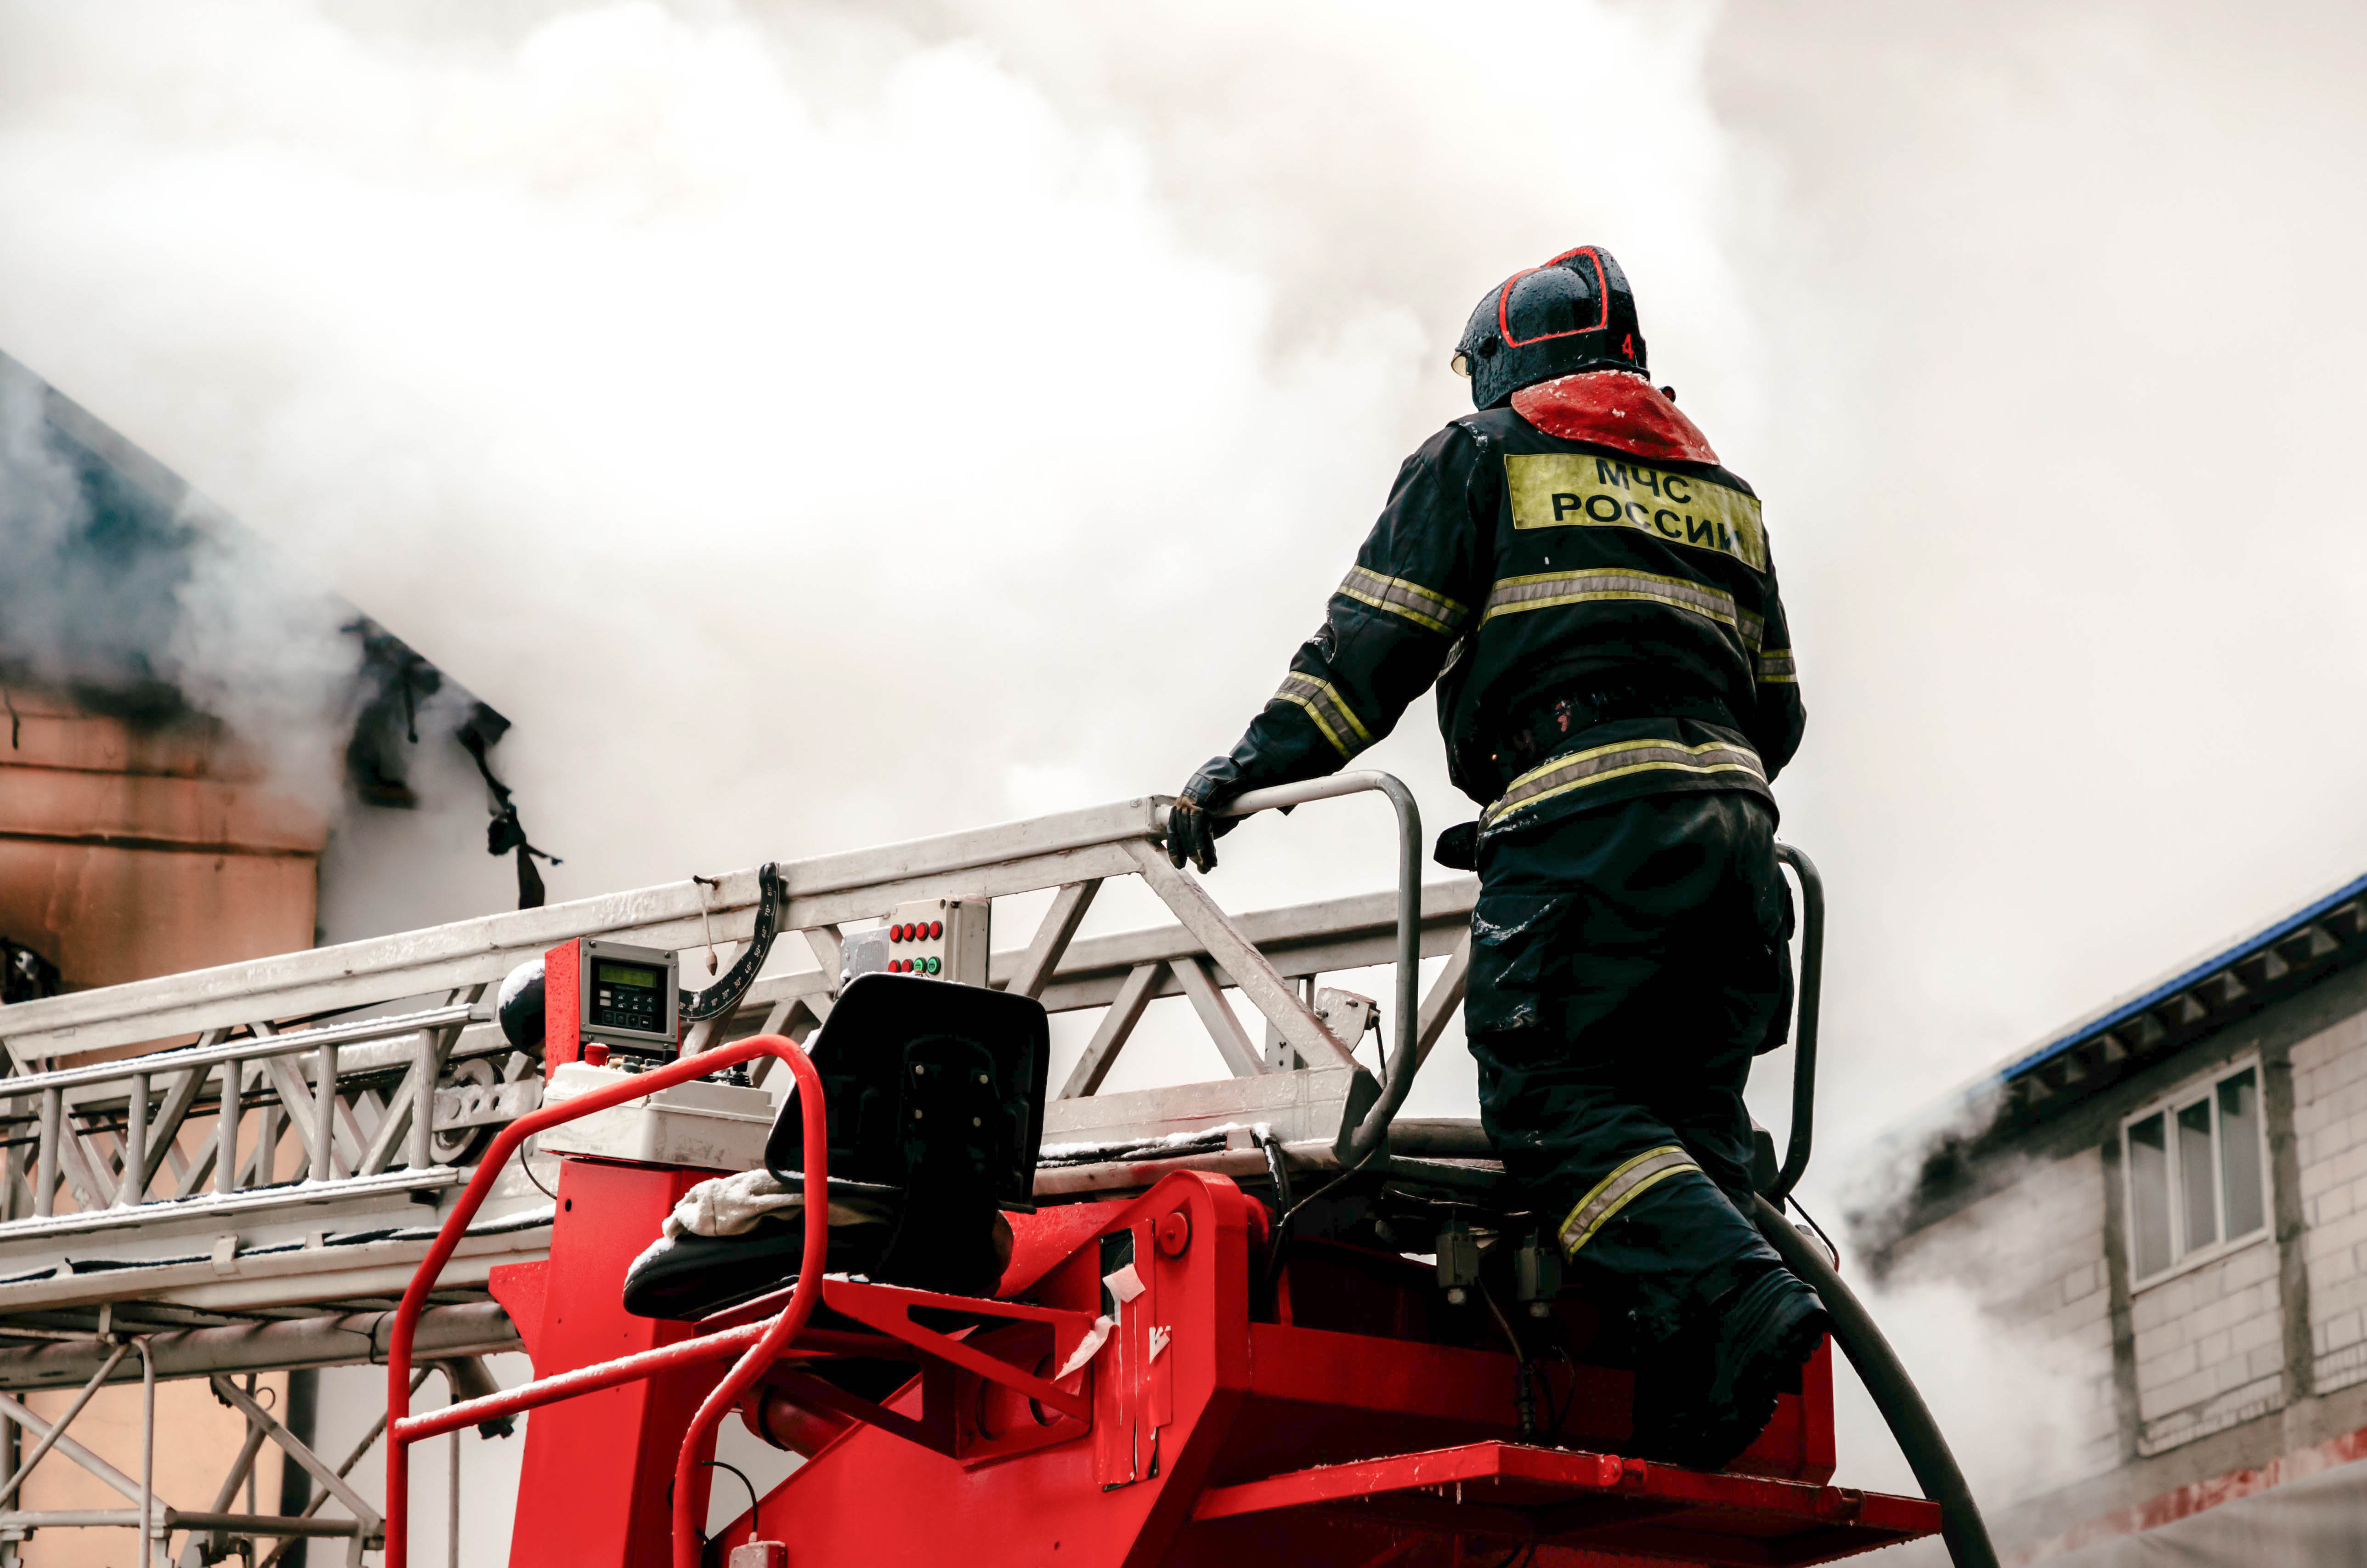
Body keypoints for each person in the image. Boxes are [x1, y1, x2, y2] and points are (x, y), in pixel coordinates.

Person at [1164, 245, 1827, 1470]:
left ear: (1508, 368)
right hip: (1737, 850)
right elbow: (1777, 715)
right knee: (1689, 1123)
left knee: (1555, 1104)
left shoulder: (1481, 460)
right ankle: (1699, 1397)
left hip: (1585, 830)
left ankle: (1739, 1300)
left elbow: (1365, 656)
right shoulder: (1726, 494)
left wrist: (1245, 774)